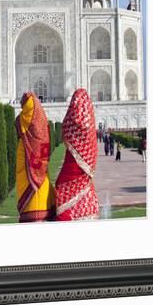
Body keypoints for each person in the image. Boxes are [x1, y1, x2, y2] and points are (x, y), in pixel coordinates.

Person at [55, 88, 99, 221]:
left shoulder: (70, 122)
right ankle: (85, 212)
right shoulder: (90, 124)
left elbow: (66, 128)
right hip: (83, 172)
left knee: (63, 187)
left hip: (71, 170)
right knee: (84, 187)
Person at [15, 92, 55, 222]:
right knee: (42, 188)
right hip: (42, 171)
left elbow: (17, 126)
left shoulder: (22, 119)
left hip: (28, 167)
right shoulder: (42, 126)